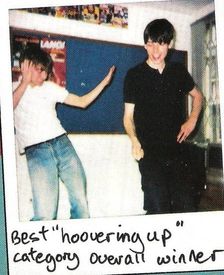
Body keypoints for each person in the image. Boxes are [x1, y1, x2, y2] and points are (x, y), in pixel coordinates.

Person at [13, 45, 115, 221]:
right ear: (26, 65)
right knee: (45, 214)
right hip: (37, 151)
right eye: (39, 70)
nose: (44, 76)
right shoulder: (13, 87)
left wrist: (104, 83)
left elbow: (82, 102)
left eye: (45, 71)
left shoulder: (49, 88)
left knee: (81, 204)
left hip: (62, 144)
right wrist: (23, 83)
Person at [123, 19, 203, 214]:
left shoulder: (178, 71)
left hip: (177, 152)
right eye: (150, 44)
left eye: (161, 44)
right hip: (149, 154)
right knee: (158, 208)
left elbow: (198, 96)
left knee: (186, 207)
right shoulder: (134, 75)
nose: (155, 51)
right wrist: (134, 140)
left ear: (170, 44)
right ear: (145, 45)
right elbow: (127, 117)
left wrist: (192, 119)